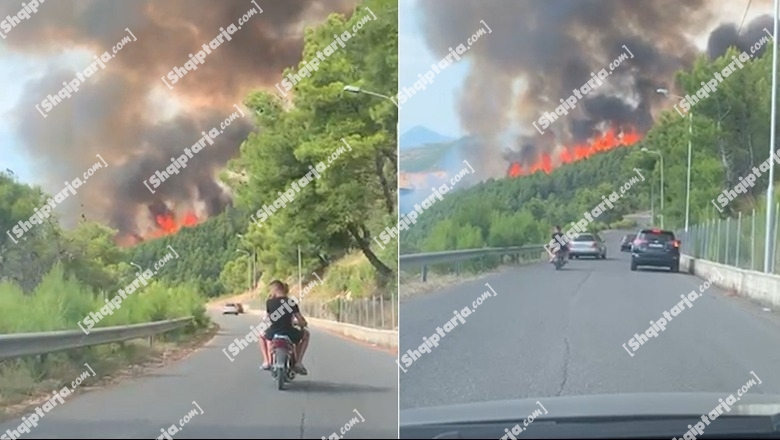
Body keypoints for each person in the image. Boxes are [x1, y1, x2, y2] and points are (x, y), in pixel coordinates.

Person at [259, 280, 310, 375]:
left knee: (261, 335)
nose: (270, 292)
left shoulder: (269, 302)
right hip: (289, 332)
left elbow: (267, 318)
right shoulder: (291, 302)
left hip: (273, 332)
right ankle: (298, 362)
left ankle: (267, 361)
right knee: (306, 335)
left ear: (275, 289)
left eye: (271, 290)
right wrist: (303, 324)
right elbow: (300, 319)